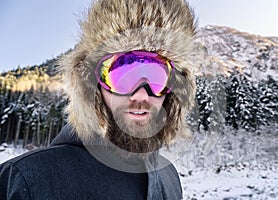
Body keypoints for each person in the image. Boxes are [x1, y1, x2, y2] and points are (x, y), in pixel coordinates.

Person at [0, 0, 202, 199]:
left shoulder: (169, 177)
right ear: (92, 84)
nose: (141, 95)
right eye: (124, 75)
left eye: (157, 79)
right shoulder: (24, 180)